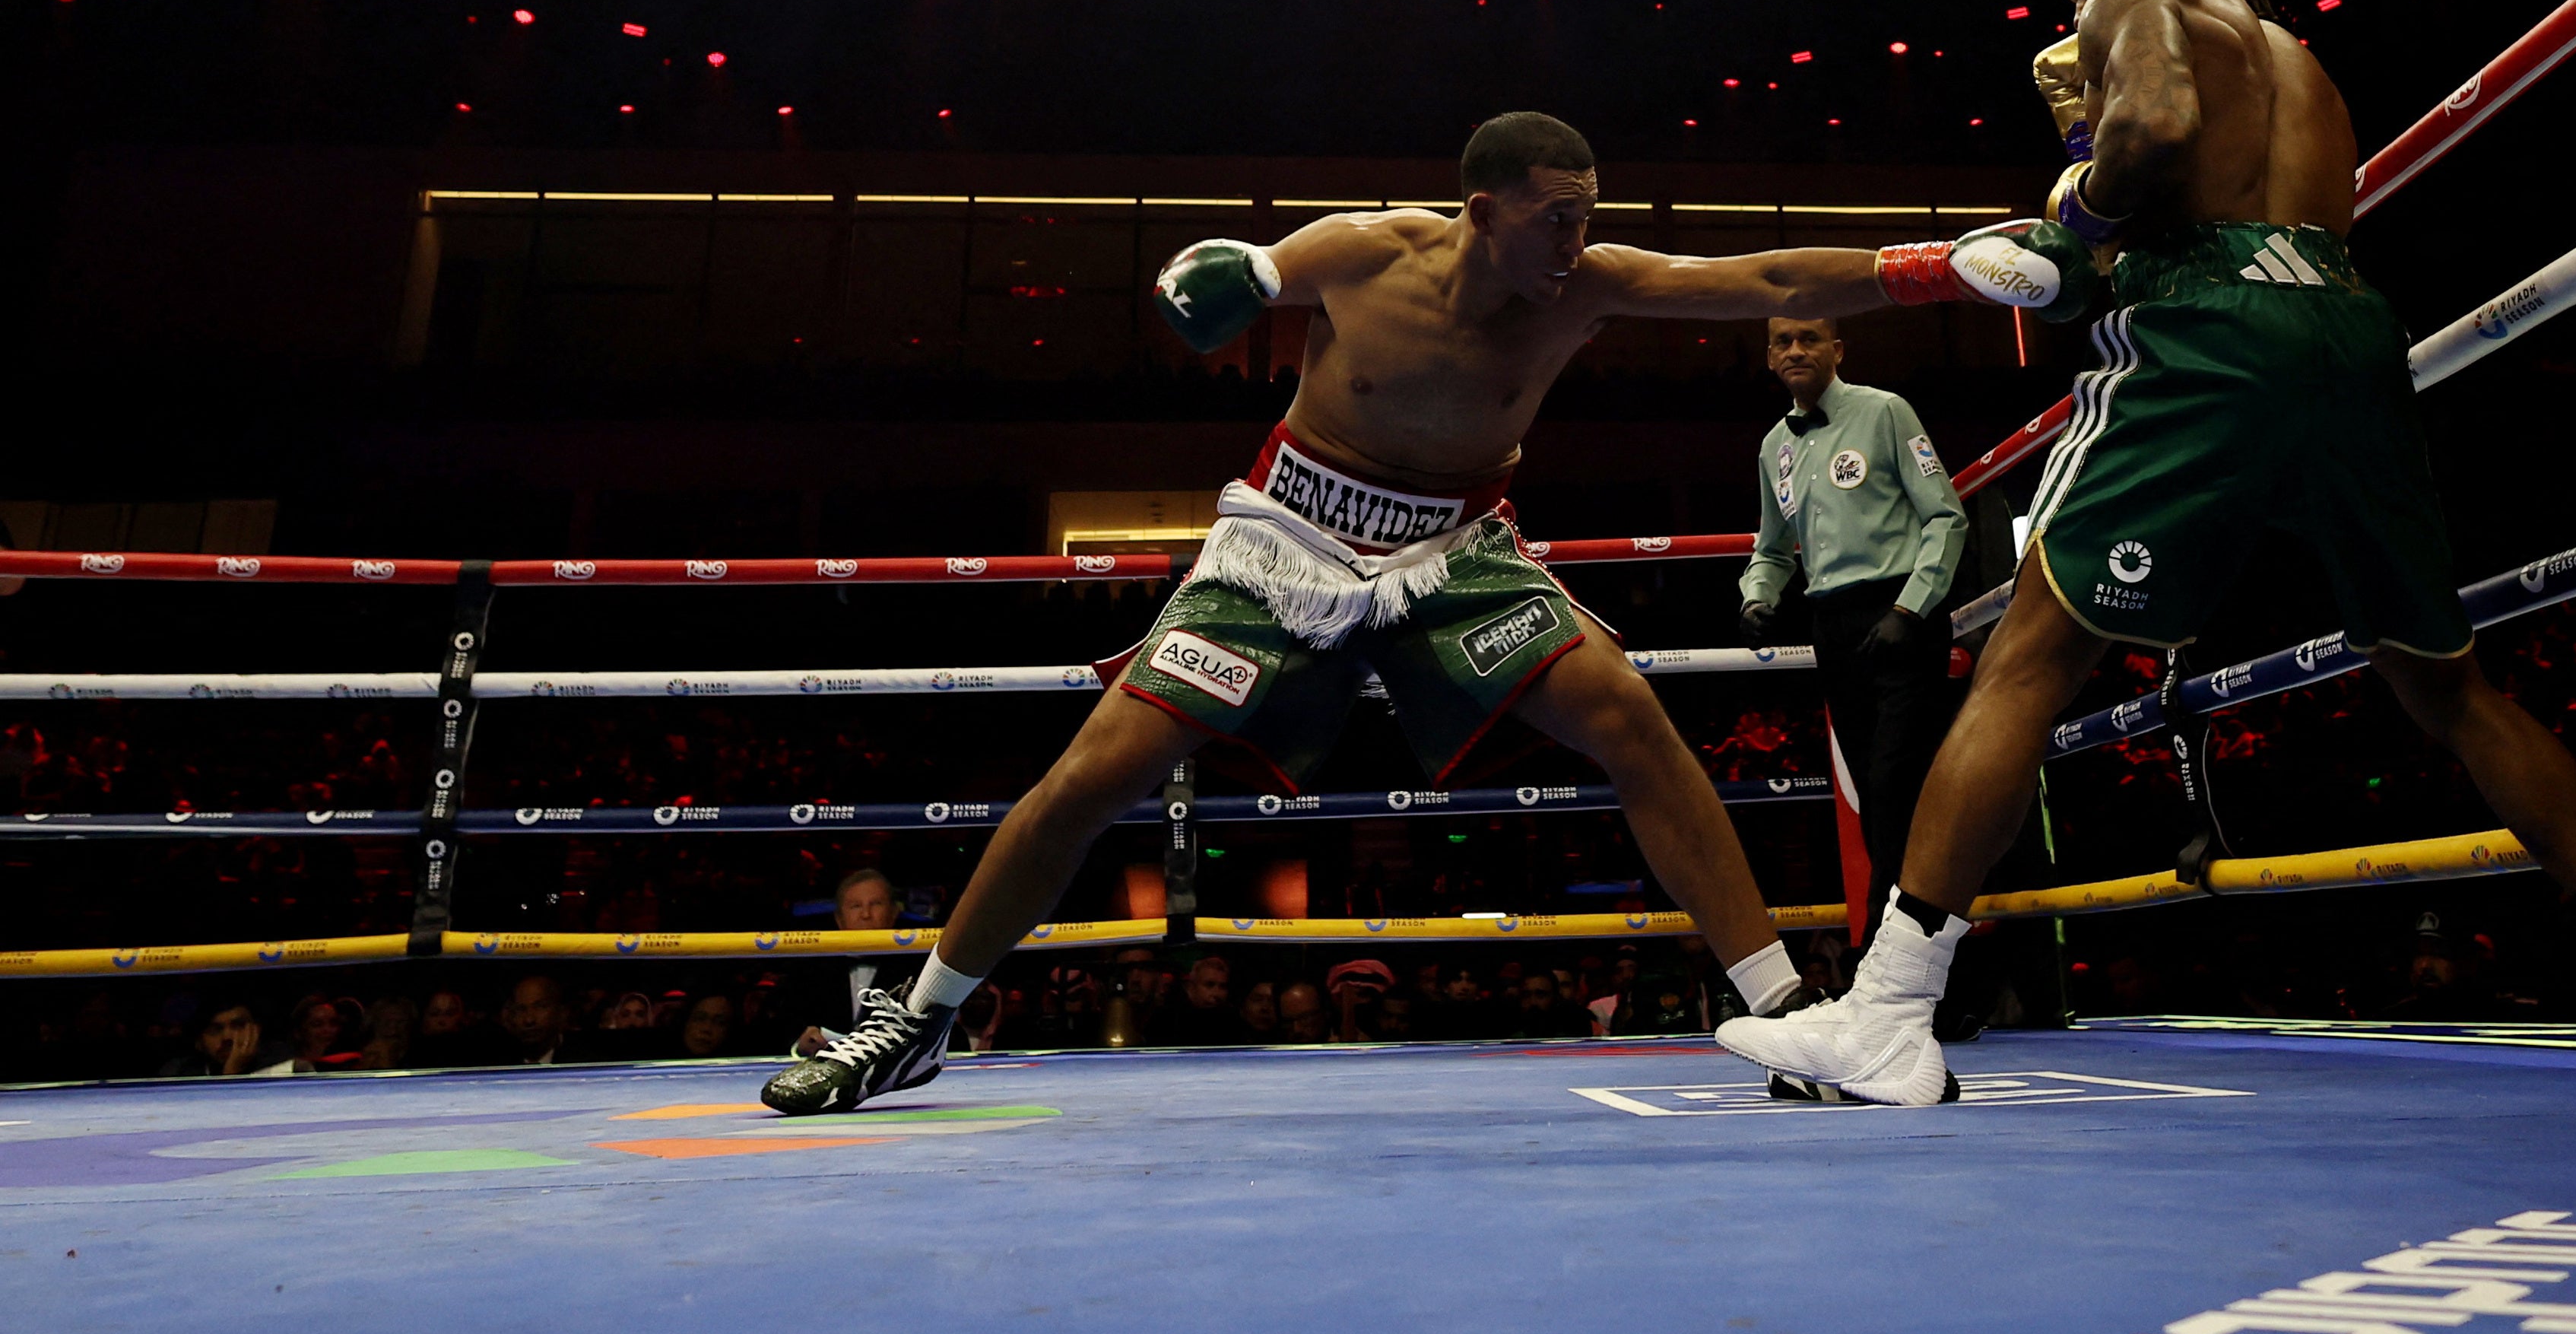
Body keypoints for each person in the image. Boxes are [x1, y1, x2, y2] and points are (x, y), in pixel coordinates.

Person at [1721, 0, 2576, 1105]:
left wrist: (2078, 213)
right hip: (2343, 327)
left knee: (2029, 657)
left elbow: (2153, 137)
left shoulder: (2142, 9)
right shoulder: (2298, 65)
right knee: (2453, 688)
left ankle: (1887, 1012)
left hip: (2208, 331)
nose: (2073, 15)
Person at [763, 110, 2072, 1113]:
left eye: (1584, 216)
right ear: (1478, 210)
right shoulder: (1363, 251)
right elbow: (1239, 272)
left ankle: (1790, 1009)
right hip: (1284, 541)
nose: (1572, 241)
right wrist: (1205, 278)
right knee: (1105, 761)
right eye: (1551, 218)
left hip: (1458, 548)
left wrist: (1931, 265)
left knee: (1626, 712)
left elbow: (1761, 274)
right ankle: (920, 1018)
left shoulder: (1591, 282)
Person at [1737, 315, 1971, 964]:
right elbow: (1772, 548)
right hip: (1832, 628)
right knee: (1875, 794)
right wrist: (1757, 595)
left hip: (1900, 613)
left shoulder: (1885, 411)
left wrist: (1912, 607)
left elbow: (1945, 517)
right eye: (1782, 341)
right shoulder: (1772, 447)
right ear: (1769, 357)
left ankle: (1887, 955)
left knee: (1900, 788)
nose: (1795, 350)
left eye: (1808, 338)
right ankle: (1914, 963)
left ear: (1836, 349)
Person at [787, 867, 909, 1058]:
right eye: (856, 906)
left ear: (894, 913)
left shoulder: (916, 968)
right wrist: (800, 1044)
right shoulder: (810, 969)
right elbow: (784, 1026)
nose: (866, 915)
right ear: (839, 919)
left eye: (876, 904)